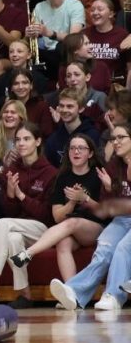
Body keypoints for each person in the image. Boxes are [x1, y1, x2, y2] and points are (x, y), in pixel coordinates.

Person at [0, 123, 57, 308]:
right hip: (17, 226)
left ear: (38, 141)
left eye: (26, 139)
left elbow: (45, 214)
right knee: (12, 238)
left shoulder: (50, 173)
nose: (21, 143)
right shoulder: (11, 170)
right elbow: (8, 211)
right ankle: (25, 294)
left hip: (42, 230)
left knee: (3, 224)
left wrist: (21, 196)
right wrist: (11, 195)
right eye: (18, 139)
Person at [50, 123, 131, 311]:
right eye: (113, 139)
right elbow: (106, 207)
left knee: (122, 248)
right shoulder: (114, 166)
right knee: (104, 248)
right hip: (121, 219)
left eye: (121, 138)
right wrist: (111, 189)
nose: (116, 142)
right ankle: (75, 293)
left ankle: (113, 296)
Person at [8, 132, 106, 288]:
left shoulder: (98, 174)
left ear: (90, 153)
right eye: (72, 148)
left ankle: (28, 253)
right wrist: (72, 203)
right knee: (62, 243)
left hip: (95, 228)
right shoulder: (62, 177)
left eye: (81, 148)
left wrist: (85, 198)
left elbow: (106, 212)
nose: (76, 152)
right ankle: (72, 292)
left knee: (72, 221)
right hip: (69, 227)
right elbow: (57, 216)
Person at [27, 0, 85, 80]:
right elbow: (35, 38)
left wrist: (51, 33)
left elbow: (74, 38)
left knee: (61, 47)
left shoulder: (75, 5)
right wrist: (29, 34)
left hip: (65, 55)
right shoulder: (39, 7)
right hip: (46, 55)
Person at [43, 88, 101, 167]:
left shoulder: (92, 135)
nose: (64, 110)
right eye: (61, 106)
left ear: (81, 109)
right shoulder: (53, 139)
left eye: (69, 106)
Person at [83, 0, 130, 86]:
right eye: (92, 10)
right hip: (89, 85)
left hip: (114, 85)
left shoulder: (122, 35)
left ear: (111, 14)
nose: (95, 13)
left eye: (100, 9)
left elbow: (129, 68)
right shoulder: (84, 34)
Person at [0, 39, 52, 106]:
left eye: (19, 51)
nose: (14, 54)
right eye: (11, 52)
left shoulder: (39, 78)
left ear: (29, 55)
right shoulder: (2, 79)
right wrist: (5, 101)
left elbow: (44, 101)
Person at [6, 67, 55, 134]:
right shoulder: (8, 107)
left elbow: (46, 134)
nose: (20, 87)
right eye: (16, 83)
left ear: (31, 85)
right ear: (11, 88)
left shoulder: (42, 106)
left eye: (25, 83)